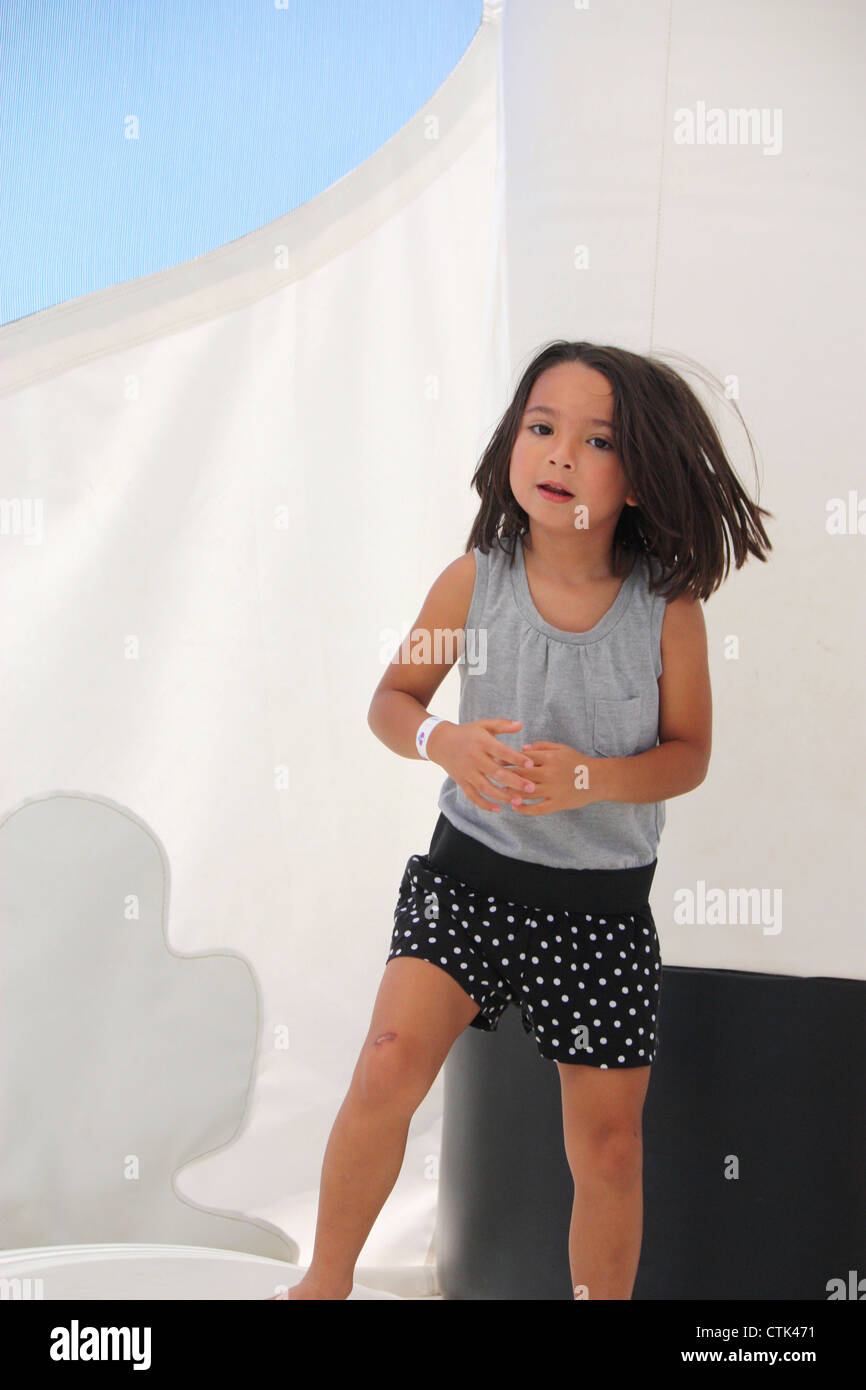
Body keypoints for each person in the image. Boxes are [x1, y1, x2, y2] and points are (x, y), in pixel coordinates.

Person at [274, 339, 773, 1301]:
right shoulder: (473, 582)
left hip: (600, 914)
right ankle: (321, 1287)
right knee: (386, 1067)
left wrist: (592, 779)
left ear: (637, 480)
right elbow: (392, 700)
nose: (558, 454)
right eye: (541, 428)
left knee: (609, 1150)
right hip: (469, 881)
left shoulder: (668, 609)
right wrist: (444, 743)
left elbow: (689, 755)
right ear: (511, 441)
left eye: (595, 441)